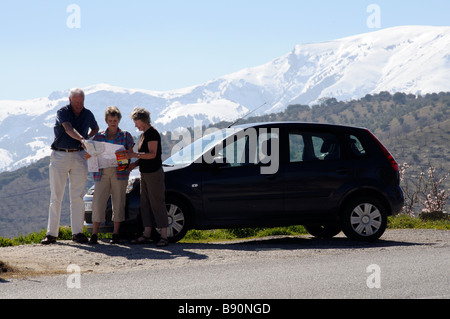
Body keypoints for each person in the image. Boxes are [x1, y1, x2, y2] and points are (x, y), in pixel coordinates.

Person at [41, 88, 99, 245]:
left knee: (77, 196)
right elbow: (68, 129)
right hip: (60, 155)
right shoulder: (63, 112)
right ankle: (52, 234)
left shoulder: (87, 113)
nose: (79, 105)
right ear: (70, 100)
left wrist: (88, 138)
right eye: (76, 102)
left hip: (79, 155)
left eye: (81, 102)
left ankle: (77, 232)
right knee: (56, 196)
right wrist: (82, 139)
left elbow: (96, 127)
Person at [84, 106, 135, 245]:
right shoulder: (99, 136)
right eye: (110, 120)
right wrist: (89, 154)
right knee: (98, 201)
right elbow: (90, 151)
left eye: (115, 120)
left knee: (118, 202)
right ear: (106, 121)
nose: (113, 122)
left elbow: (130, 152)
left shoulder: (126, 136)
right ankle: (94, 234)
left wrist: (124, 155)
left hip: (120, 171)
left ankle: (116, 234)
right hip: (102, 172)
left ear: (119, 120)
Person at [127, 107, 169, 247]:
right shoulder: (144, 134)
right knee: (145, 203)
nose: (135, 125)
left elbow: (152, 154)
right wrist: (135, 164)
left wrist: (134, 155)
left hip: (154, 173)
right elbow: (145, 155)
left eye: (136, 122)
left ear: (143, 120)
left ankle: (164, 235)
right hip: (144, 173)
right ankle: (147, 233)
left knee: (157, 203)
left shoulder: (152, 133)